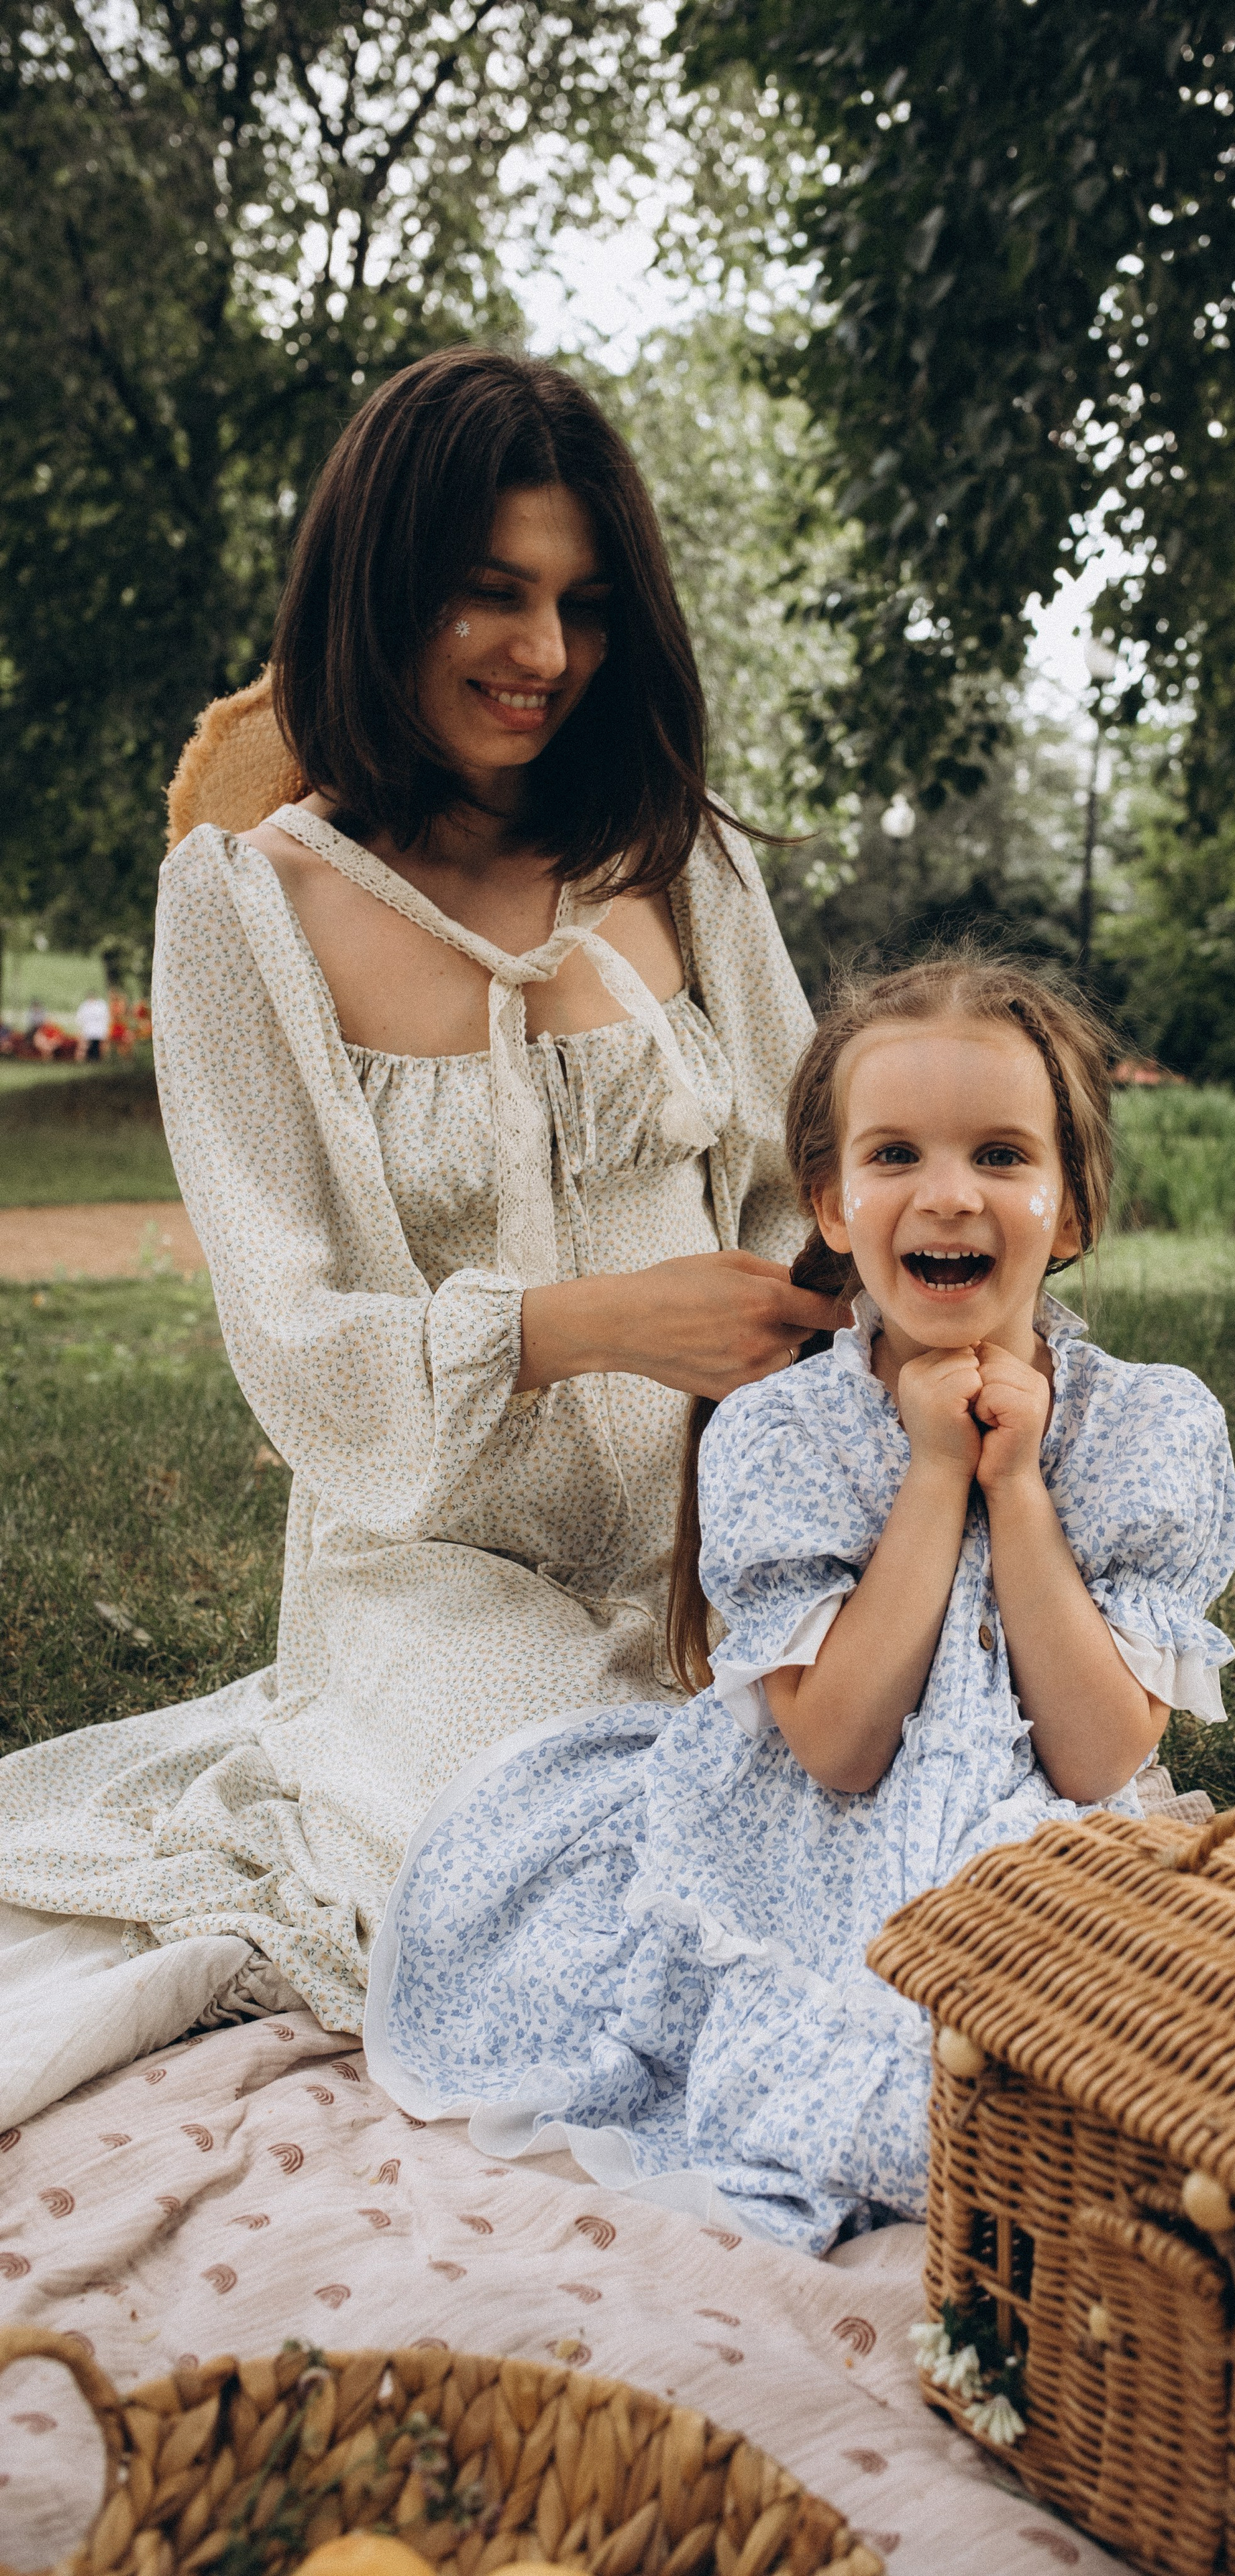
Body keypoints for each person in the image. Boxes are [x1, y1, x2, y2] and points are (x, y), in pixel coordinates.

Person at [0, 347, 847, 2127]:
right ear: (382, 580)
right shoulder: (243, 908)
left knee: (901, 1829)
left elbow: (802, 1182)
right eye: (492, 592)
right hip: (442, 1573)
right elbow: (296, 1341)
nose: (545, 654)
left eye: (584, 605)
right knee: (531, 1879)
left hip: (726, 1558)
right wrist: (600, 1322)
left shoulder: (682, 863)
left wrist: (807, 1420)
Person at [366, 955, 1235, 2253]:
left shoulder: (1144, 1428)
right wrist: (938, 1472)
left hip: (1037, 1840)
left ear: (1070, 1208)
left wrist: (1020, 1484)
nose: (949, 1194)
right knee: (870, 2086)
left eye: (1002, 1155)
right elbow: (837, 1748)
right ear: (832, 1203)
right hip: (818, 1836)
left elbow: (1103, 1751)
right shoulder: (783, 1434)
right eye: (897, 1157)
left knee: (1171, 2073)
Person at [74, 990, 111, 1061]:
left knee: (98, 1047)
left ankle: (99, 1058)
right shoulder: (84, 1006)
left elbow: (106, 1018)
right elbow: (80, 1019)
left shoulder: (101, 1005)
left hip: (100, 1030)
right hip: (88, 1031)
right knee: (88, 1047)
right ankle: (89, 1058)